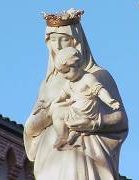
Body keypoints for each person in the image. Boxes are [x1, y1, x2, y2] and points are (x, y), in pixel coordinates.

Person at [24, 9, 128, 180]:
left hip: (85, 156)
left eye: (63, 39)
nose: (57, 46)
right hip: (51, 161)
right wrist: (50, 114)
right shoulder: (46, 85)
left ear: (76, 41)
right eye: (52, 40)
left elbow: (120, 119)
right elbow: (30, 129)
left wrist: (93, 123)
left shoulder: (98, 76)